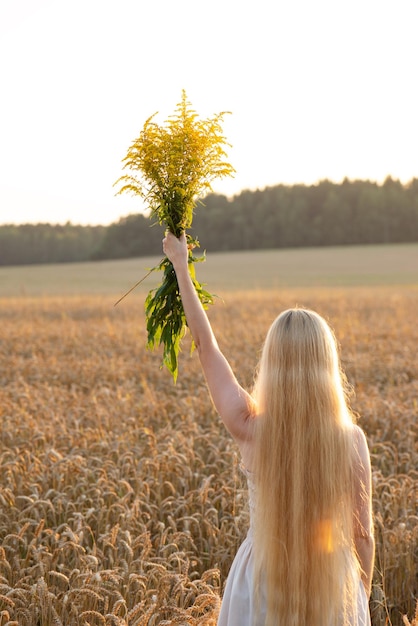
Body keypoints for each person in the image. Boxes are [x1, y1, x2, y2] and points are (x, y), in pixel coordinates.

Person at [162, 232, 375, 626]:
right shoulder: (351, 441)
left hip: (258, 582)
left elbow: (206, 347)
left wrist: (179, 265)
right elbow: (362, 536)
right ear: (327, 369)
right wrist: (357, 596)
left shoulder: (250, 427)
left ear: (271, 364)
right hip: (332, 585)